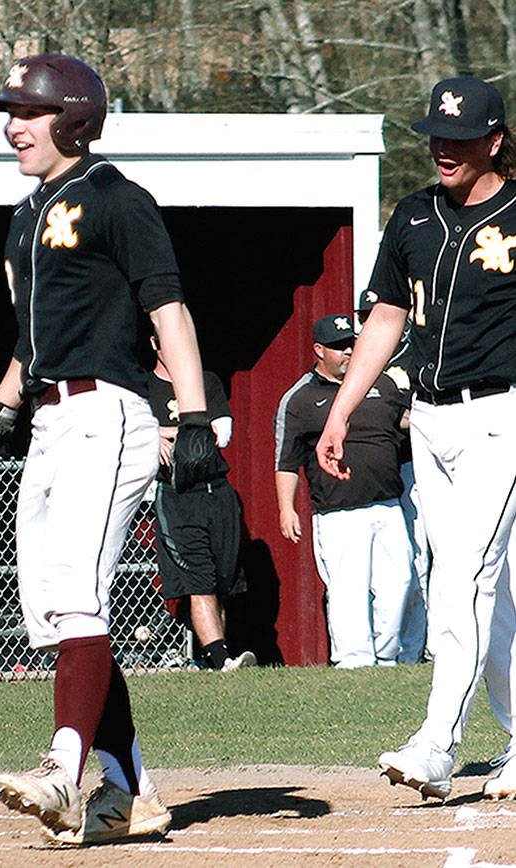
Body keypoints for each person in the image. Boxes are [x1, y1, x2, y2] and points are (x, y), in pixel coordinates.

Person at [0, 53, 213, 845]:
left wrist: (197, 413)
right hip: (48, 417)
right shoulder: (23, 213)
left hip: (108, 412)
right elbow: (30, 334)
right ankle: (132, 790)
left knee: (78, 594)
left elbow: (167, 308)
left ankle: (64, 769)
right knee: (59, 611)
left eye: (29, 112)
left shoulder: (116, 197)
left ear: (72, 117)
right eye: (10, 112)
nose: (13, 126)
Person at [317, 76, 516, 800]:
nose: (444, 146)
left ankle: (438, 744)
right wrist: (340, 412)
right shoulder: (412, 215)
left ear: (494, 140)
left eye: (460, 136)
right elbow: (386, 322)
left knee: (462, 576)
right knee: (479, 587)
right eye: (435, 133)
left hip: (502, 415)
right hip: (428, 421)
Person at [275, 314, 411, 669]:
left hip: (389, 503)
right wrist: (286, 509)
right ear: (319, 350)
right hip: (338, 510)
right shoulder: (301, 399)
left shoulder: (379, 384)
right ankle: (354, 662)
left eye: (352, 343)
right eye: (339, 347)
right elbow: (286, 461)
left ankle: (386, 657)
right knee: (348, 589)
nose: (349, 351)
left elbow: (407, 422)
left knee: (400, 585)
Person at [146, 337, 252, 672]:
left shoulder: (206, 382)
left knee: (222, 580)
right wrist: (154, 434)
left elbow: (222, 432)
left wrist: (162, 432)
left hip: (216, 490)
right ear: (154, 343)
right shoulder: (143, 387)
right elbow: (130, 429)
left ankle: (218, 658)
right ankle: (222, 661)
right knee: (200, 581)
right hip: (178, 494)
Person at [356, 288, 429, 664]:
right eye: (364, 315)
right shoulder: (355, 358)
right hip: (375, 474)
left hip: (410, 466)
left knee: (416, 562)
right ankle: (372, 650)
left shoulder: (414, 352)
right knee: (375, 571)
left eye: (375, 313)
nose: (370, 321)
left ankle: (413, 651)